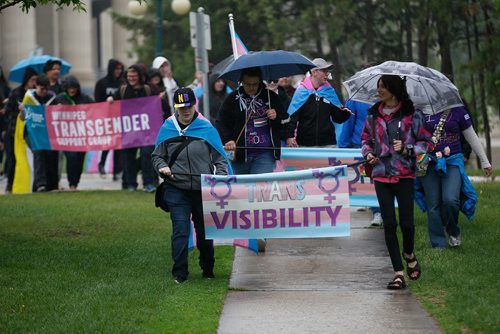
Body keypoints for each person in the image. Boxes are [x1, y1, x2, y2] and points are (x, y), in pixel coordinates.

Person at [361, 74, 434, 290]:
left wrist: (407, 148)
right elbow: (365, 140)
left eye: (383, 87)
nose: (379, 90)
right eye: (378, 87)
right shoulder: (373, 114)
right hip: (381, 174)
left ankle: (409, 253)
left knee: (407, 225)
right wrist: (368, 155)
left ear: (394, 88)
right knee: (390, 224)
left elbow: (426, 143)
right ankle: (398, 273)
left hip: (404, 174)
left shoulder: (412, 114)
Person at [152, 87, 230, 284]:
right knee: (180, 230)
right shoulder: (167, 128)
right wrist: (162, 167)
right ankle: (179, 272)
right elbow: (157, 156)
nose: (185, 111)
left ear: (195, 104)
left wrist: (219, 179)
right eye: (181, 107)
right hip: (175, 188)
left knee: (204, 233)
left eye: (188, 106)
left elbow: (220, 159)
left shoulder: (206, 128)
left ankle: (208, 268)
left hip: (202, 189)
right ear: (175, 107)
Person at [415, 106, 492, 249]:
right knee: (433, 205)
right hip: (428, 161)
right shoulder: (420, 111)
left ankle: (453, 231)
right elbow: (412, 135)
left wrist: (484, 161)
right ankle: (438, 245)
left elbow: (471, 136)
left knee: (450, 199)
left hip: (453, 161)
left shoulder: (458, 110)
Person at [216, 67, 288, 175]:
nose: (251, 87)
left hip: (265, 155)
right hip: (239, 156)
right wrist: (228, 140)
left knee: (260, 188)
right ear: (241, 82)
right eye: (247, 84)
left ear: (260, 82)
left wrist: (276, 117)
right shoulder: (232, 99)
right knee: (241, 190)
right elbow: (220, 122)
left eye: (255, 84)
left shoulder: (271, 97)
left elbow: (285, 121)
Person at [108, 65, 158, 192]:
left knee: (147, 155)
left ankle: (148, 183)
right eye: (129, 76)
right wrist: (110, 99)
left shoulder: (148, 89)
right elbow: (113, 101)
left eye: (134, 76)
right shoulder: (123, 90)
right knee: (128, 157)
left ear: (140, 76)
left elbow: (157, 105)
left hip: (146, 131)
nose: (131, 78)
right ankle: (130, 183)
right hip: (128, 130)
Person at [284, 58, 351, 148]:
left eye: (327, 71)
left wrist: (345, 113)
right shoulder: (301, 92)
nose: (327, 73)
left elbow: (337, 119)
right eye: (324, 71)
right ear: (314, 72)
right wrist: (289, 136)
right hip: (305, 144)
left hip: (328, 144)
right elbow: (292, 117)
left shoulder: (329, 92)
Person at [338, 99, 383, 226]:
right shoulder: (355, 99)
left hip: (383, 146)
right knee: (367, 180)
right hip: (361, 145)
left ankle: (377, 210)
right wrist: (343, 147)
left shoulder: (388, 97)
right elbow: (349, 121)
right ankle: (375, 209)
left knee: (378, 181)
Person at [19, 75, 58, 192]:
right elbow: (22, 118)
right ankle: (40, 184)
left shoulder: (51, 98)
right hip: (31, 133)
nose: (44, 92)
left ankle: (52, 184)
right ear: (36, 86)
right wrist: (22, 111)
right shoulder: (29, 98)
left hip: (46, 133)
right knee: (39, 152)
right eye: (42, 89)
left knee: (51, 154)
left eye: (46, 89)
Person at [54, 76, 94, 190]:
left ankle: (75, 183)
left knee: (80, 159)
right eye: (70, 88)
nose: (72, 90)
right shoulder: (59, 99)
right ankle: (71, 184)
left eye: (74, 88)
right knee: (71, 158)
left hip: (82, 135)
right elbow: (49, 112)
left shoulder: (85, 98)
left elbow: (97, 109)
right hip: (66, 136)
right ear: (66, 88)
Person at [3, 68, 36, 193]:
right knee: (12, 159)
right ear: (27, 80)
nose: (34, 82)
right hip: (13, 132)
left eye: (35, 80)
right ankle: (10, 185)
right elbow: (8, 111)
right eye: (32, 80)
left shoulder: (34, 94)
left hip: (28, 132)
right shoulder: (16, 92)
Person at [94, 58, 124, 179]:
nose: (118, 71)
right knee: (107, 143)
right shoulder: (102, 83)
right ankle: (102, 164)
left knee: (118, 145)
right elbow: (97, 100)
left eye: (120, 69)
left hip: (120, 118)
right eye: (116, 68)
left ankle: (117, 171)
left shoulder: (122, 83)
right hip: (106, 118)